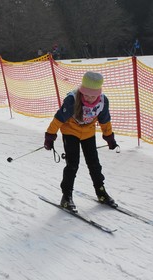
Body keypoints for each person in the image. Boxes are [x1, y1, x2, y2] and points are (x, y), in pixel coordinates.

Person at [44, 71, 118, 212]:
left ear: (99, 93)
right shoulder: (72, 100)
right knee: (73, 164)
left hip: (88, 133)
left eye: (93, 95)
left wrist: (109, 137)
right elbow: (58, 119)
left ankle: (101, 192)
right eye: (86, 94)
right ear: (82, 91)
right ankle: (66, 196)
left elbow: (105, 121)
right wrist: (50, 136)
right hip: (70, 131)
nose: (90, 98)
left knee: (94, 163)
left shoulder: (102, 102)